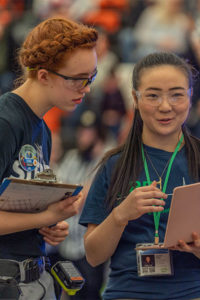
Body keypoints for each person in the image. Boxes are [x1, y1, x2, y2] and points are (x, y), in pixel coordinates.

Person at [79, 51, 200, 300]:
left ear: (190, 97)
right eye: (153, 95)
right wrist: (121, 215)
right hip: (126, 293)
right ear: (135, 98)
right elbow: (93, 255)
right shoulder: (115, 165)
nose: (165, 106)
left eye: (176, 95)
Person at [0, 17, 98, 300]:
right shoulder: (6, 121)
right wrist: (48, 215)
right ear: (43, 75)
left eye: (91, 77)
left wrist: (47, 225)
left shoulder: (41, 127)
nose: (87, 88)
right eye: (78, 79)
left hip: (33, 278)